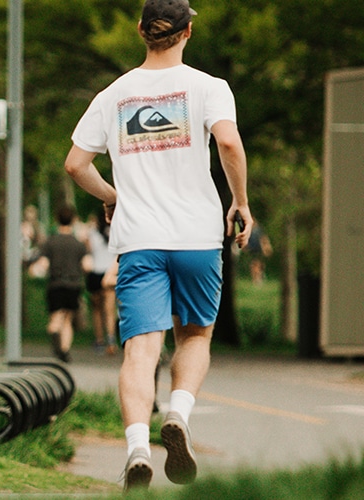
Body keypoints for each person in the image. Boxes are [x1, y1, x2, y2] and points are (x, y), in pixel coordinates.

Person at [63, 0, 252, 490]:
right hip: (197, 237)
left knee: (140, 350)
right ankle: (178, 414)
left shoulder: (114, 94)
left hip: (139, 239)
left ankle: (136, 450)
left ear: (140, 32)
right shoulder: (208, 87)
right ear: (188, 32)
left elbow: (75, 164)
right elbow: (229, 143)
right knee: (194, 336)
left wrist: (113, 197)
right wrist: (240, 202)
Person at [30, 206, 91, 363]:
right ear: (73, 220)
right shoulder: (78, 244)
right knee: (67, 319)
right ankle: (64, 350)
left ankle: (55, 335)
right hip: (73, 284)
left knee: (55, 318)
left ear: (57, 220)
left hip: (56, 283)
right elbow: (87, 265)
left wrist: (33, 270)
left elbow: (43, 264)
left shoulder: (50, 242)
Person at [85, 210, 119, 354]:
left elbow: (89, 252)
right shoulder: (116, 232)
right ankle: (110, 339)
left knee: (97, 311)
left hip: (95, 272)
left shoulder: (92, 233)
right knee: (109, 310)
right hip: (109, 272)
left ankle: (99, 340)